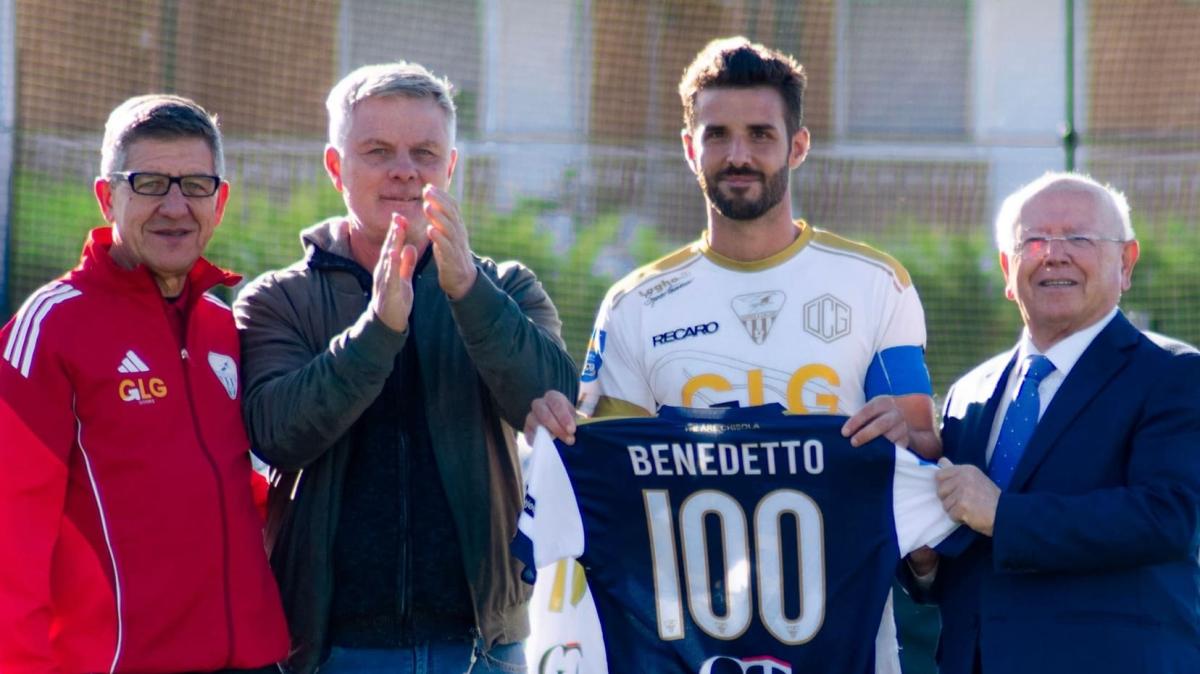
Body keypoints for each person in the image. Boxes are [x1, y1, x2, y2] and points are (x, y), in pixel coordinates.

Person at [524, 36, 940, 674]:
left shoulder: (874, 282)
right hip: (687, 647)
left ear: (797, 146)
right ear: (690, 147)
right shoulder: (636, 304)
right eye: (717, 134)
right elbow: (611, 478)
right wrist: (561, 435)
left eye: (760, 135)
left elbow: (923, 450)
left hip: (841, 644)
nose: (738, 155)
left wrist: (900, 436)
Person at [234, 61, 578, 674]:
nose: (404, 169)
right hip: (330, 652)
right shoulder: (276, 300)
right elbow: (278, 434)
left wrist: (468, 291)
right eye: (378, 151)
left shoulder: (506, 287)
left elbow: (550, 397)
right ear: (336, 167)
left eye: (424, 151)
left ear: (450, 168)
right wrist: (379, 331)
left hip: (483, 650)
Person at [0, 94, 288, 673]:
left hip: (248, 661)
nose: (176, 206)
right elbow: (11, 534)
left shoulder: (220, 324)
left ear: (221, 200)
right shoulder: (50, 326)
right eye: (150, 183)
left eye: (195, 185)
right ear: (108, 196)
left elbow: (217, 486)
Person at [931, 172, 1200, 673]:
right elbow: (956, 551)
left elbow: (1168, 517)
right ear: (1009, 269)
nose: (1054, 253)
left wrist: (1004, 516)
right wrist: (922, 564)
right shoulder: (967, 394)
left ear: (1126, 263)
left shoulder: (1174, 375)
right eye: (1033, 240)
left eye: (1079, 237)